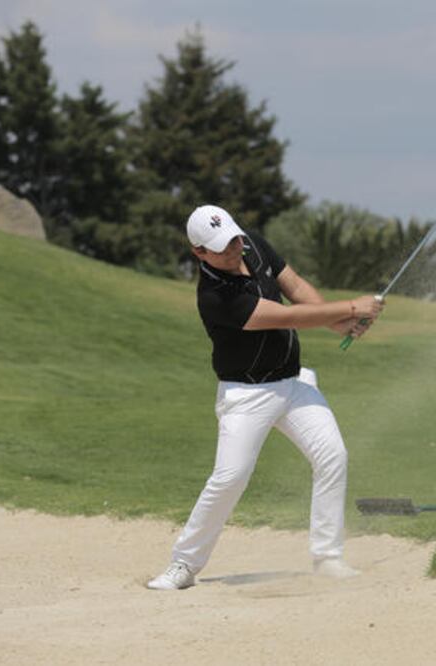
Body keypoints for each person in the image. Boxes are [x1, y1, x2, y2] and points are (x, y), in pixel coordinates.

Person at [147, 204, 383, 590]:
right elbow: (285, 316)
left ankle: (327, 557)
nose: (234, 248)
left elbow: (297, 287)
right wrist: (350, 308)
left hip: (293, 383)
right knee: (230, 478)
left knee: (332, 456)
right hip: (247, 395)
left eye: (235, 238)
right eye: (222, 247)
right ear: (199, 253)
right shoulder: (215, 297)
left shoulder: (251, 245)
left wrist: (337, 320)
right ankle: (184, 565)